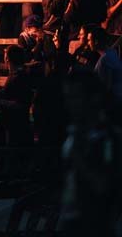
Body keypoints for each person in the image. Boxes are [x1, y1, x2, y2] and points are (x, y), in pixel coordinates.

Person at [60, 71, 122, 236]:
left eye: (75, 97)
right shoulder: (74, 133)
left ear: (93, 98)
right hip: (74, 221)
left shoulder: (107, 138)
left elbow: (104, 185)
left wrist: (78, 159)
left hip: (95, 224)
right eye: (68, 97)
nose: (70, 104)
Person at [0, 45, 34, 173]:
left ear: (7, 58)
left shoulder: (20, 77)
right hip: (11, 128)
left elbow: (21, 105)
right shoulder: (16, 76)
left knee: (10, 166)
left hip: (13, 130)